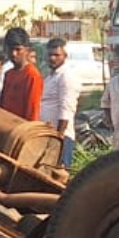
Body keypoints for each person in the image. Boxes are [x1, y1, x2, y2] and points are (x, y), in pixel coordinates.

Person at [40, 38, 81, 168]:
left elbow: (67, 108)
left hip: (60, 136)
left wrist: (59, 136)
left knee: (59, 174)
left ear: (65, 56)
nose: (52, 58)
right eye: (50, 55)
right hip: (47, 134)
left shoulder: (66, 76)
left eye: (57, 55)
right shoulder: (50, 76)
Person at [0, 27, 43, 120]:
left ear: (27, 50)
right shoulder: (8, 74)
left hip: (22, 130)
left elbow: (32, 112)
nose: (14, 53)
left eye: (18, 49)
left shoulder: (32, 75)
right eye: (10, 49)